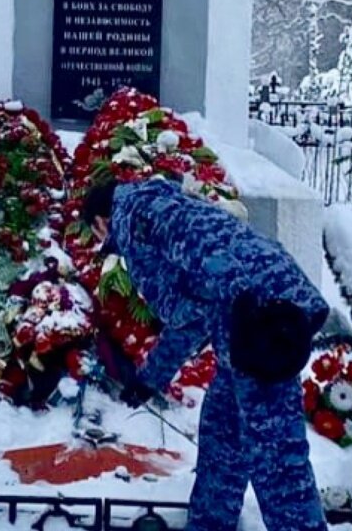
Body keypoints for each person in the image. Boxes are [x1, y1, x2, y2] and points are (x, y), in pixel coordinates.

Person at [82, 176, 331, 531]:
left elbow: (181, 312)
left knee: (277, 463)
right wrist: (151, 379)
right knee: (222, 440)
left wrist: (147, 378)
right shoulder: (163, 206)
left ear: (100, 221)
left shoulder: (131, 219)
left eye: (96, 235)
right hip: (260, 314)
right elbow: (200, 300)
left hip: (263, 326)